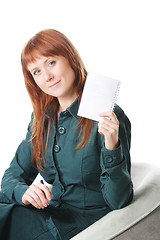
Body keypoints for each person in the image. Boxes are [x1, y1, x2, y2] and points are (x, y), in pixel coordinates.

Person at [0, 29, 133, 240]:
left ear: (70, 58)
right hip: (48, 214)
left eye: (51, 63)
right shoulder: (42, 119)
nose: (47, 76)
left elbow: (118, 201)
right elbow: (11, 177)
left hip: (81, 225)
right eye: (37, 72)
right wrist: (24, 192)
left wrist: (112, 146)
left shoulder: (107, 114)